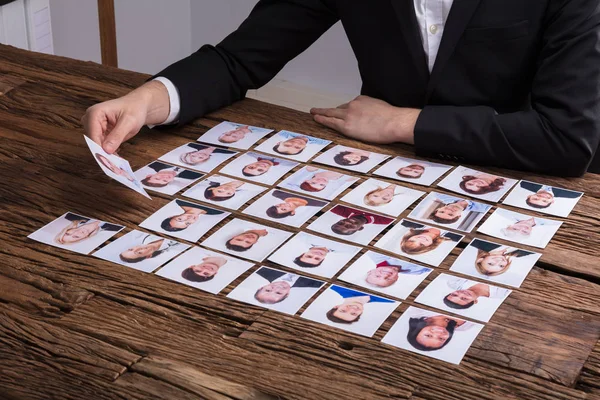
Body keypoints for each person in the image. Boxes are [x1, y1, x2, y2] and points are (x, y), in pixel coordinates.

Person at [82, 1, 600, 177]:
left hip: (527, 178)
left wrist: (402, 122)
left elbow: (567, 140)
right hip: (389, 175)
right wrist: (147, 99)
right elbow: (240, 59)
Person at [326, 285, 395, 324]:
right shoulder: (390, 300)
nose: (352, 309)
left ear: (337, 306)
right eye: (353, 314)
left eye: (343, 310)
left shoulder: (335, 286)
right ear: (360, 313)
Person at [253, 268, 322, 304]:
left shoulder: (261, 270)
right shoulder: (316, 284)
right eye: (278, 293)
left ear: (262, 287)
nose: (276, 288)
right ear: (287, 294)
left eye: (268, 290)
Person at [364, 253, 430, 288]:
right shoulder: (416, 271)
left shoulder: (375, 254)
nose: (385, 275)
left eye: (377, 276)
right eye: (388, 279)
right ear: (396, 278)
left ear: (370, 271)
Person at [443, 277, 510, 310]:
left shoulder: (454, 283)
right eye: (464, 298)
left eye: (455, 294)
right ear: (475, 301)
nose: (462, 294)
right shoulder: (500, 294)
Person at [54, 213, 121, 245]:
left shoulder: (71, 216)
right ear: (84, 238)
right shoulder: (115, 228)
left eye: (68, 233)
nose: (76, 233)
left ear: (68, 229)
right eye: (76, 236)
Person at [160, 200, 225, 232]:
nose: (189, 219)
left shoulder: (181, 200)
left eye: (180, 219)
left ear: (173, 216)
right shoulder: (217, 212)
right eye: (188, 223)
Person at [329, 205, 394, 236]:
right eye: (348, 226)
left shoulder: (338, 210)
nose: (346, 222)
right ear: (360, 228)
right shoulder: (385, 220)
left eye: (340, 223)